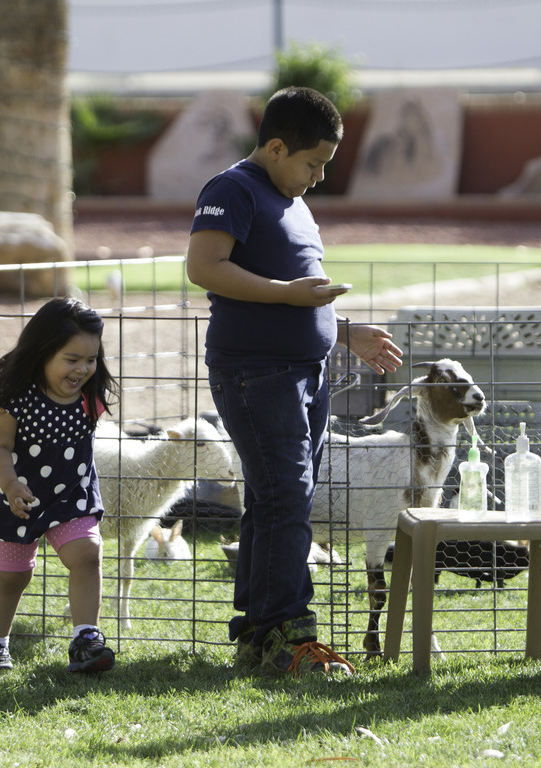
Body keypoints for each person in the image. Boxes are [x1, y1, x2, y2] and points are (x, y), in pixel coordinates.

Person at [186, 86, 403, 677]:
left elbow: (300, 288)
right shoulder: (232, 189)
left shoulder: (293, 200)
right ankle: (291, 637)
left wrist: (346, 330)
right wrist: (290, 297)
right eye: (313, 164)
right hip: (258, 375)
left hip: (305, 374)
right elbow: (204, 267)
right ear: (276, 147)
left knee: (276, 499)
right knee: (286, 500)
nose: (318, 177)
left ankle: (258, 632)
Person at [0, 297, 120, 674]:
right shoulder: (16, 399)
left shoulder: (90, 397)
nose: (83, 369)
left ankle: (86, 639)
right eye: (72, 360)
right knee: (13, 577)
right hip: (18, 497)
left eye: (90, 360)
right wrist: (9, 485)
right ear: (42, 352)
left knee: (88, 554)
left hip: (71, 495)